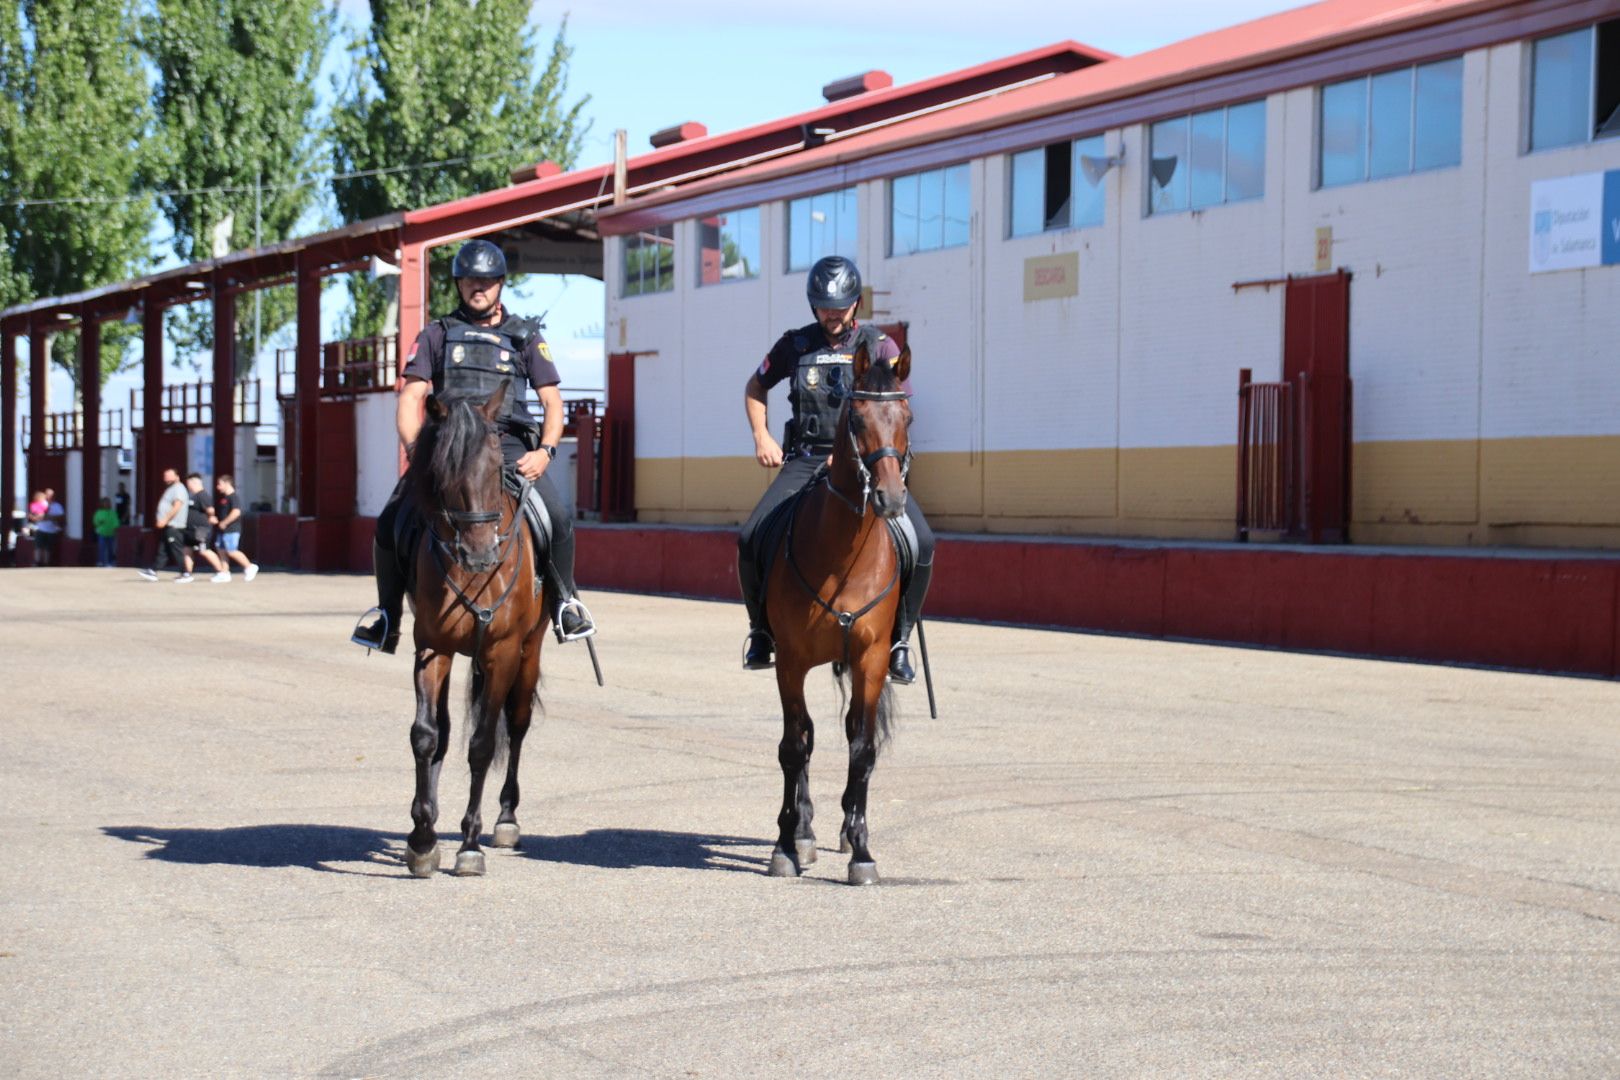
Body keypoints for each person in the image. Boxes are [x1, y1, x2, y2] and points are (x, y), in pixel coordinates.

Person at [351, 238, 595, 653]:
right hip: (449, 450)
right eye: (468, 281)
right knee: (390, 518)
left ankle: (565, 602)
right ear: (458, 285)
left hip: (511, 448)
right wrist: (417, 450)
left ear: (500, 283)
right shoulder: (436, 335)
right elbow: (411, 398)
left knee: (556, 516)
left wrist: (546, 451)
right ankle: (387, 614)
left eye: (485, 281)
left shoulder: (526, 337)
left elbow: (552, 402)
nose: (476, 288)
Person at [736, 255, 934, 683]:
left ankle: (899, 640)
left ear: (856, 304)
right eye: (825, 306)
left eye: (841, 306)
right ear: (813, 306)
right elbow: (756, 387)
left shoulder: (882, 346)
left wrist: (878, 457)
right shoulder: (795, 345)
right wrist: (761, 436)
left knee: (923, 543)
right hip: (806, 458)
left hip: (866, 464)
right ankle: (761, 632)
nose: (832, 314)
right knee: (750, 536)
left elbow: (898, 408)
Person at [138, 468, 192, 582]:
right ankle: (153, 571)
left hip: (174, 525)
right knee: (163, 550)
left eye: (169, 476)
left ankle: (186, 573)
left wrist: (165, 519)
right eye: (165, 476)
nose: (166, 478)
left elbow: (177, 505)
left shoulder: (178, 488)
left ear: (177, 476)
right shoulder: (171, 489)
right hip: (169, 526)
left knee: (176, 550)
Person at [210, 474, 259, 582]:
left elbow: (236, 512)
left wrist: (225, 522)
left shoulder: (233, 497)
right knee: (221, 550)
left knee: (231, 551)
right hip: (222, 529)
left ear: (227, 483)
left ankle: (250, 566)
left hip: (231, 529)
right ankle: (224, 572)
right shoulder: (224, 498)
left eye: (220, 484)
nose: (218, 487)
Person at [182, 473, 227, 581]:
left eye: (189, 484)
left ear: (195, 482)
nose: (188, 486)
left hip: (201, 529)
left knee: (204, 550)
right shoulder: (194, 496)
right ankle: (187, 574)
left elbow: (210, 509)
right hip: (191, 530)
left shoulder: (203, 495)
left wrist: (211, 517)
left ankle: (222, 572)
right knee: (187, 549)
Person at [33, 487, 64, 567]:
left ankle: (46, 563)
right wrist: (44, 517)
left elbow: (61, 517)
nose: (50, 496)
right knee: (38, 547)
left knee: (48, 548)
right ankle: (37, 562)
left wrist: (48, 517)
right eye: (48, 495)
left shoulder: (57, 506)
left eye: (52, 495)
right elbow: (35, 515)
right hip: (41, 529)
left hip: (51, 530)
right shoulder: (40, 504)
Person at [92, 496, 120, 567]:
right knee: (102, 548)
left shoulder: (112, 513)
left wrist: (115, 529)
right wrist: (99, 523)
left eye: (108, 503)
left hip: (111, 533)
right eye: (105, 503)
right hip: (102, 533)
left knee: (110, 548)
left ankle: (110, 562)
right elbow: (95, 521)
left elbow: (116, 522)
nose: (107, 504)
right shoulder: (99, 512)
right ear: (102, 504)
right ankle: (101, 561)